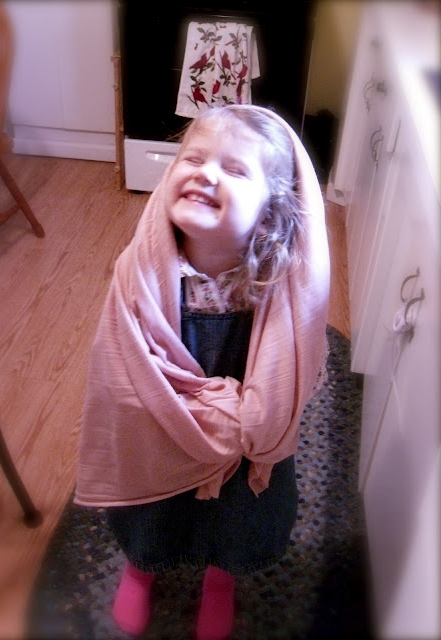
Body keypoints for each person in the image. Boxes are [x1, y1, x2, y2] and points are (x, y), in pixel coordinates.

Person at [74, 104, 330, 640]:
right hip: (161, 423)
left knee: (239, 508)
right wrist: (196, 415)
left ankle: (220, 580)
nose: (205, 173)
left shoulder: (282, 285)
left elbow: (290, 377)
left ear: (271, 211)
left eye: (234, 169)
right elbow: (122, 375)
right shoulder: (139, 276)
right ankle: (142, 568)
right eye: (192, 159)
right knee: (153, 500)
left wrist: (245, 423)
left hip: (246, 443)